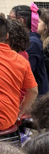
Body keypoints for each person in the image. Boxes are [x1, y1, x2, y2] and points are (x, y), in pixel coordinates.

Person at [0, 14, 37, 144]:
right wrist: (20, 112)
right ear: (7, 36)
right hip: (7, 123)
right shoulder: (20, 60)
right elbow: (33, 91)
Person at [8, 6, 49, 95]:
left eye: (10, 18)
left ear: (21, 20)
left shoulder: (32, 42)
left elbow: (26, 72)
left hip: (35, 94)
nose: (8, 22)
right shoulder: (23, 39)